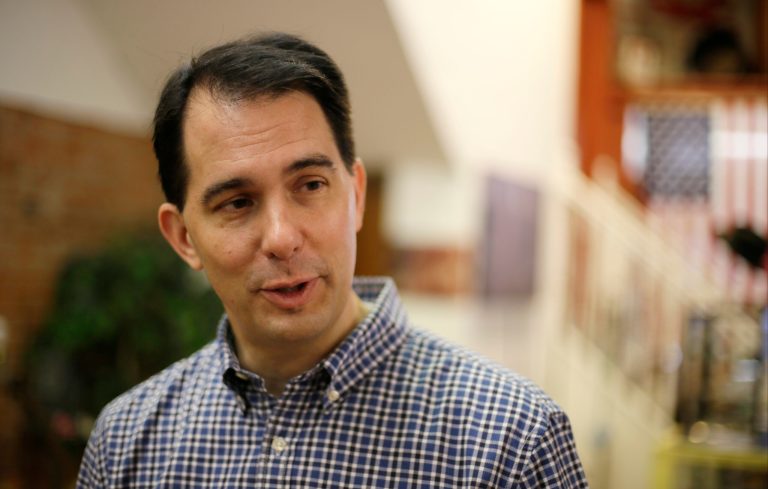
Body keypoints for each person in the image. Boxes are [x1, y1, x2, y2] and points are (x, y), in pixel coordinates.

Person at [77, 32, 588, 488]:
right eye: (237, 203)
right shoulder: (127, 443)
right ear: (184, 237)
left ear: (357, 195)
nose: (281, 238)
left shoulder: (511, 442)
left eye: (311, 185)